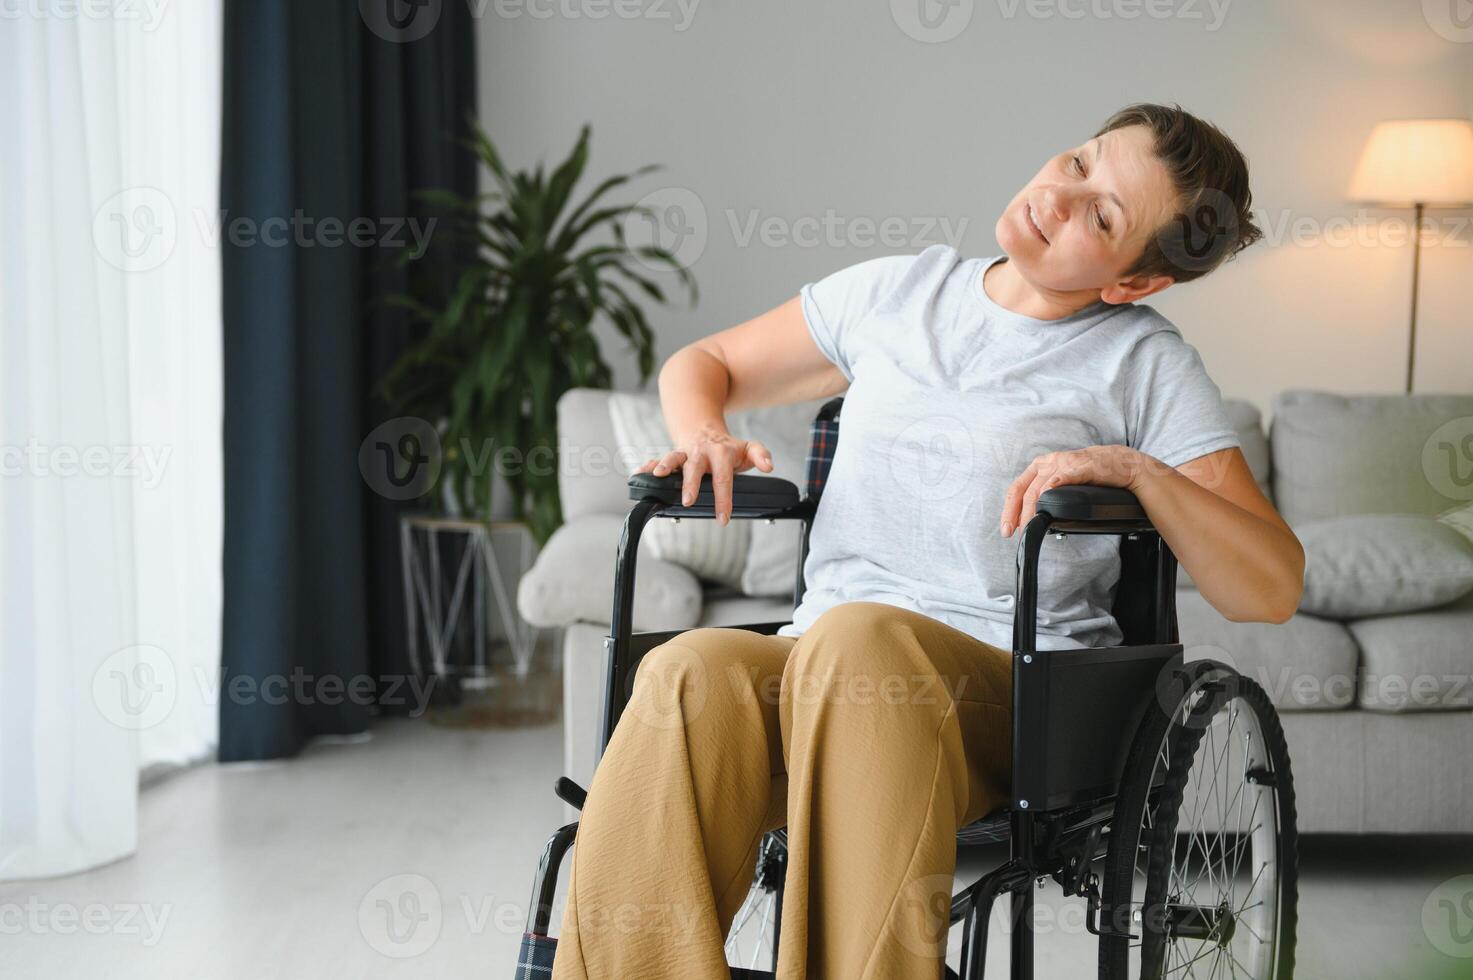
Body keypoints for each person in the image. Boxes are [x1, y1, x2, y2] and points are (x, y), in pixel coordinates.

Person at [549, 102, 1305, 980]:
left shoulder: (1142, 362)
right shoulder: (898, 292)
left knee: (858, 640)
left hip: (1009, 693)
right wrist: (704, 432)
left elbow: (1270, 585)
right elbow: (704, 360)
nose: (1058, 198)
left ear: (1131, 282)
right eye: (1077, 162)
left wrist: (1142, 473)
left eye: (1102, 215)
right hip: (821, 666)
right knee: (688, 671)